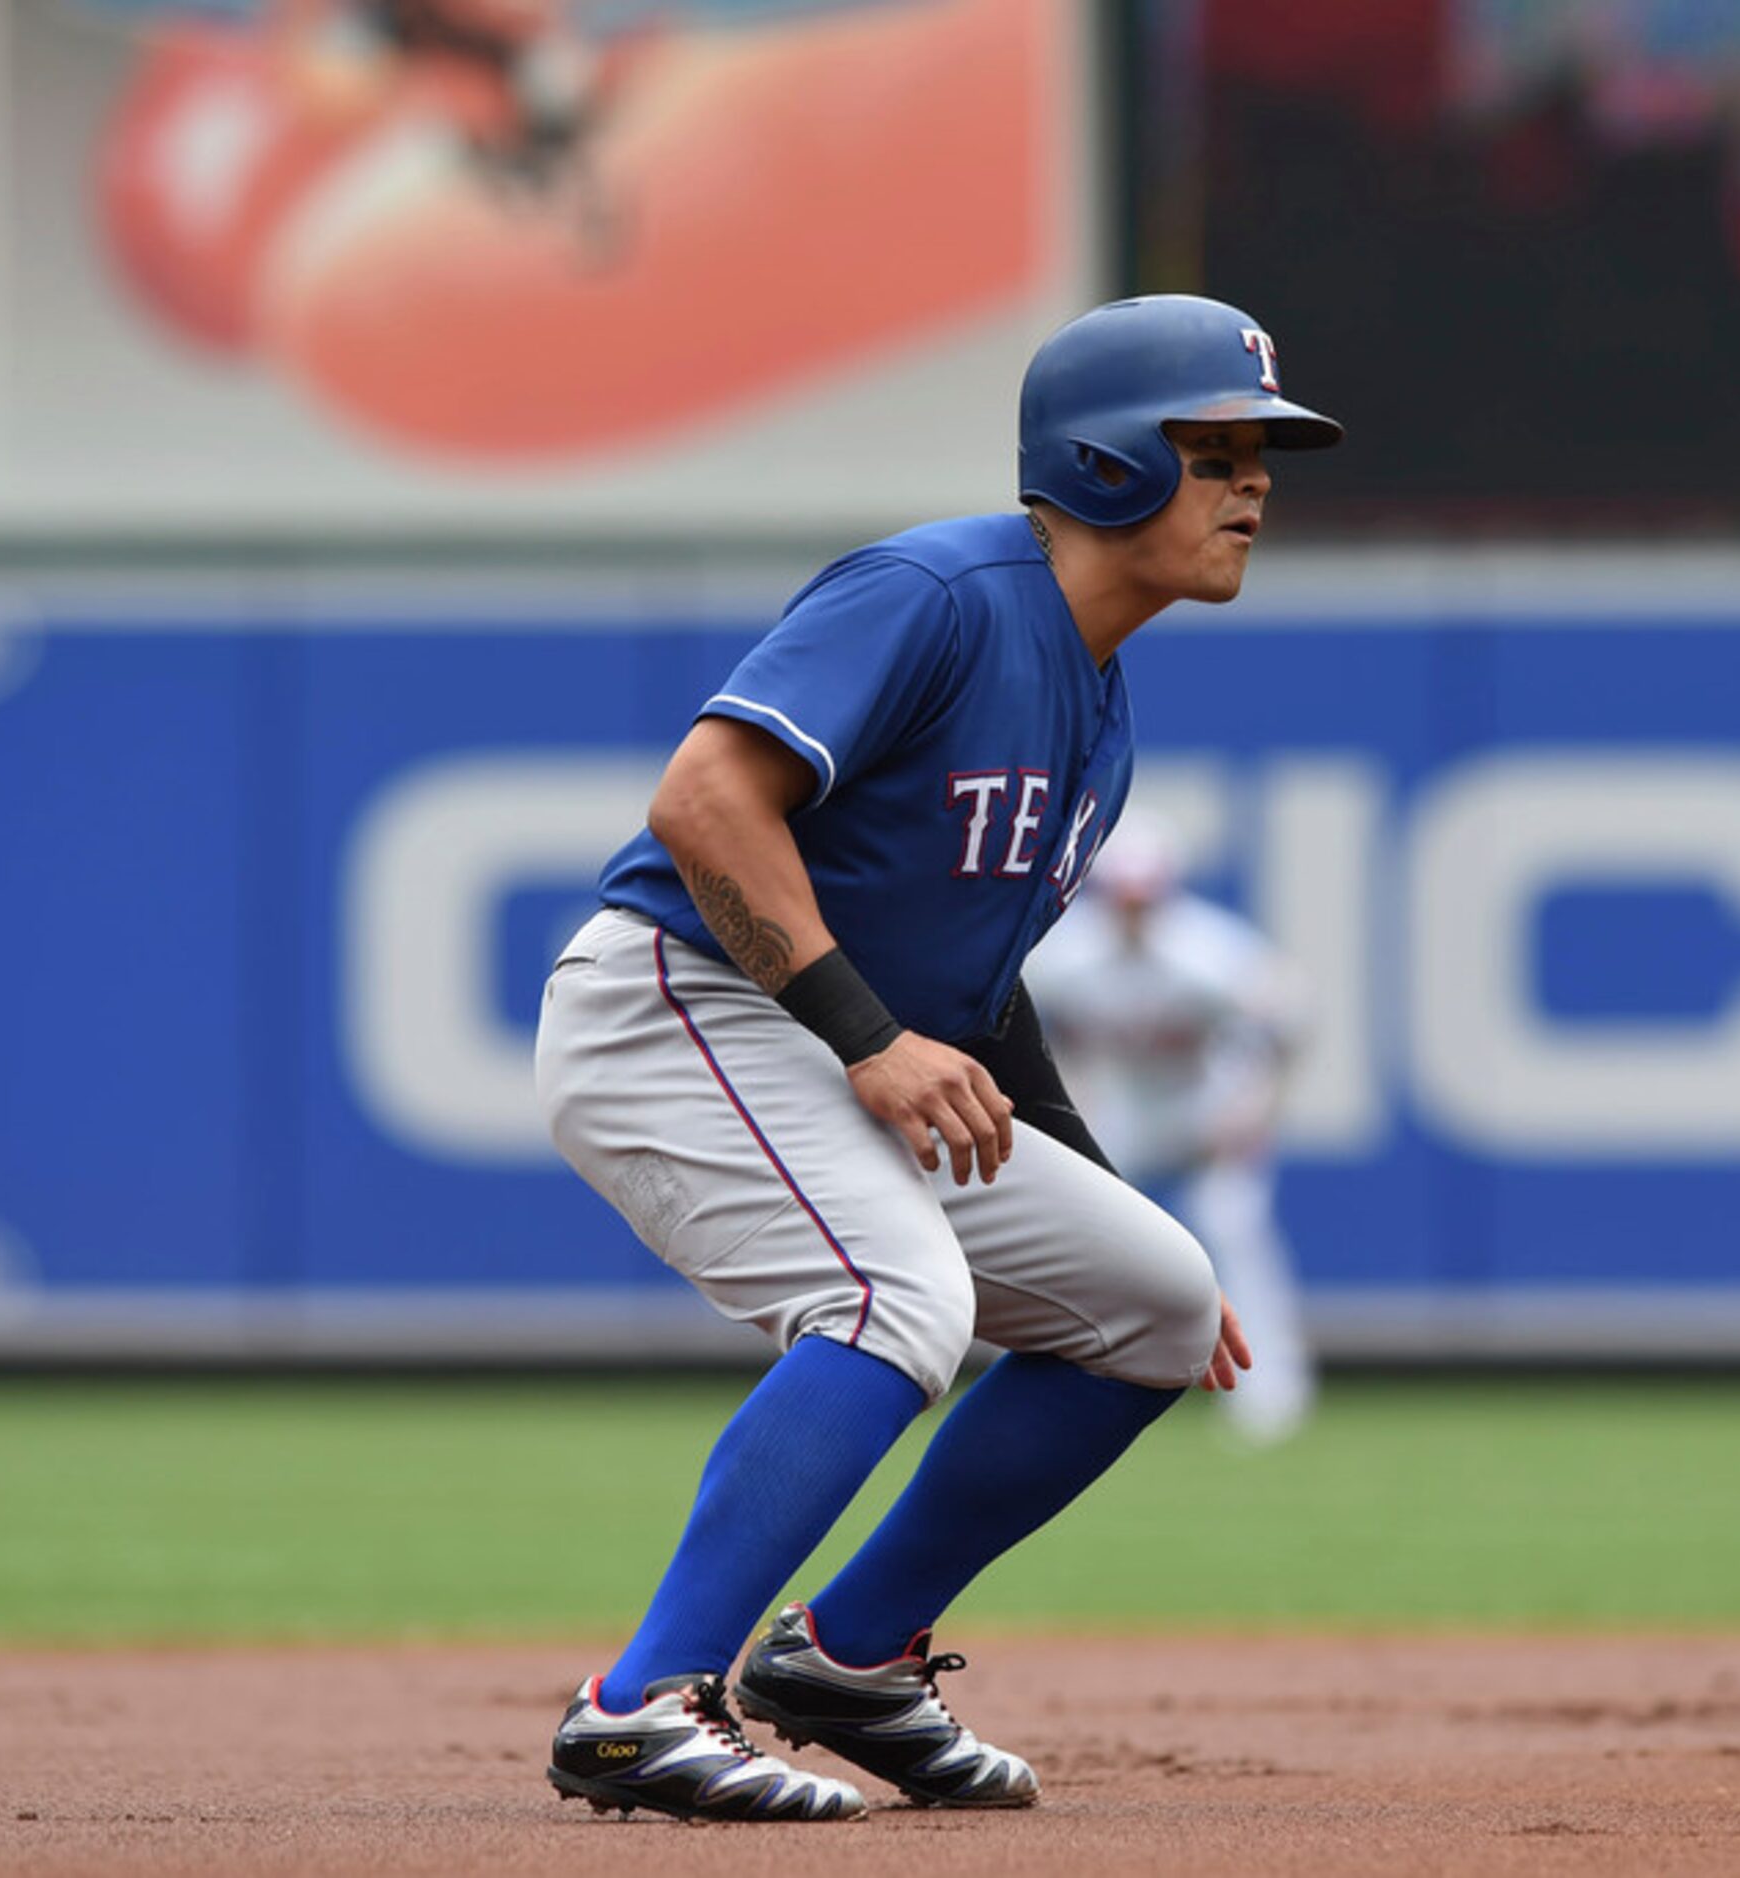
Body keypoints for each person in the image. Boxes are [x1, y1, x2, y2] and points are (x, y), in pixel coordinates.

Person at [531, 293, 1340, 1822]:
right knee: (893, 1295)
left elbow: (980, 985)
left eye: (1262, 453)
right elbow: (704, 801)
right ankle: (637, 1703)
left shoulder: (1098, 694)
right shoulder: (940, 589)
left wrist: (1118, 1210)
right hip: (680, 1006)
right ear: (1105, 463)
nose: (1258, 482)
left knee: (1155, 1304)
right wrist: (869, 1038)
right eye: (1219, 446)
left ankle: (847, 1658)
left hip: (833, 1036)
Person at [1023, 824, 1316, 1445]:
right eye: (1124, 901)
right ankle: (1064, 1384)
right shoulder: (1065, 956)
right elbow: (1050, 1032)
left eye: (1146, 900)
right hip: (1129, 1109)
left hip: (1207, 1103)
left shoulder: (1210, 952)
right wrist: (1077, 1094)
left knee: (1232, 1224)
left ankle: (1271, 1395)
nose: (1134, 915)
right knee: (1076, 1232)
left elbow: (1292, 1021)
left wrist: (1253, 1110)